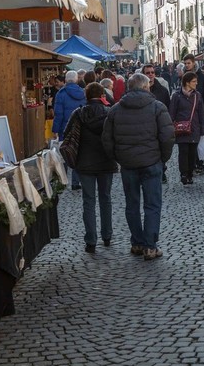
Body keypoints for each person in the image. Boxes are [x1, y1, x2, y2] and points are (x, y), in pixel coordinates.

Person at [102, 73, 175, 261]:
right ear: (145, 87)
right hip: (151, 162)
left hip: (128, 164)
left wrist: (118, 158)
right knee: (152, 205)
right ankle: (150, 246)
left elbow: (107, 139)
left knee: (132, 205)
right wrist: (162, 159)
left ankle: (137, 242)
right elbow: (167, 136)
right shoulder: (157, 107)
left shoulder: (116, 109)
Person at [74, 83, 117, 253]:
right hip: (106, 160)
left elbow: (70, 135)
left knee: (88, 201)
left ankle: (90, 240)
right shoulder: (110, 113)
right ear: (102, 95)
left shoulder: (79, 113)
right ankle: (107, 235)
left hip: (85, 162)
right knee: (105, 198)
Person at [169, 71, 204, 185]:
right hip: (181, 129)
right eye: (194, 81)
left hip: (194, 128)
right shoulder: (176, 96)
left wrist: (202, 130)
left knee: (192, 153)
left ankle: (190, 173)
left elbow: (201, 114)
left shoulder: (197, 95)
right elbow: (172, 112)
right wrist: (171, 127)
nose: (196, 83)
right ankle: (184, 174)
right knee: (183, 151)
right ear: (187, 83)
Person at [52, 71, 86, 190]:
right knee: (78, 154)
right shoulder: (83, 93)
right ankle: (76, 182)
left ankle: (63, 180)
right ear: (76, 80)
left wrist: (55, 129)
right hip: (79, 127)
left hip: (64, 128)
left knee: (64, 153)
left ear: (66, 80)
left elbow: (58, 114)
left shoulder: (61, 94)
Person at [183, 54, 204, 175]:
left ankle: (200, 164)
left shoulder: (202, 76)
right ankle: (191, 166)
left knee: (200, 140)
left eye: (188, 63)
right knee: (189, 141)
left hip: (200, 112)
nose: (187, 65)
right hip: (187, 113)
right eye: (185, 63)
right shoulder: (184, 76)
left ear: (193, 63)